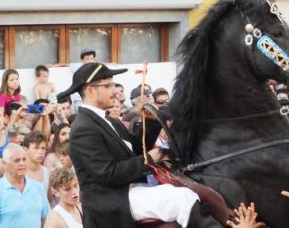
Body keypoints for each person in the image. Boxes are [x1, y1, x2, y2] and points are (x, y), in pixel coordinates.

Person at [57, 62, 214, 227]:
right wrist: (148, 160)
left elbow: (136, 150)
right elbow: (108, 173)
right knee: (182, 199)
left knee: (188, 191)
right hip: (113, 201)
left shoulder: (110, 120)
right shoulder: (83, 127)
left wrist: (151, 122)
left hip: (131, 190)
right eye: (108, 85)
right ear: (91, 90)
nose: (115, 91)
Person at [0, 144, 50, 228]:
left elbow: (45, 218)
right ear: (4, 164)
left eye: (24, 159)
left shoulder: (38, 187)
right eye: (17, 160)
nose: (22, 163)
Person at [21, 131, 54, 207]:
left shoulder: (46, 172)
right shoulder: (18, 172)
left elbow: (50, 200)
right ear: (25, 149)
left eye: (43, 148)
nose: (40, 152)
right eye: (36, 148)